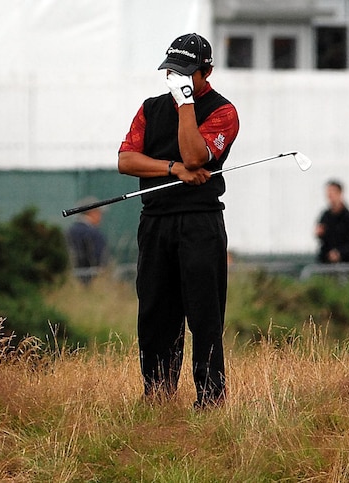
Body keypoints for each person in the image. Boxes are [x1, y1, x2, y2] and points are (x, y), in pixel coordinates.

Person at [117, 33, 240, 409]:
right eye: (172, 71)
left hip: (199, 223)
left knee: (204, 316)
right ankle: (158, 397)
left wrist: (186, 105)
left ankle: (210, 400)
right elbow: (126, 160)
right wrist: (171, 169)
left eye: (186, 73)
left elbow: (195, 155)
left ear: (208, 72)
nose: (177, 79)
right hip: (155, 221)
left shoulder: (223, 112)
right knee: (155, 313)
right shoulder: (150, 108)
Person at [315, 180, 349, 263]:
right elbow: (324, 239)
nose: (330, 196)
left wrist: (340, 253)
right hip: (328, 263)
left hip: (348, 263)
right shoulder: (325, 216)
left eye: (332, 192)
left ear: (340, 194)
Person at [66, 199, 108, 285]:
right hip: (92, 277)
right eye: (99, 213)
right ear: (92, 212)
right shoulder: (93, 233)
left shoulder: (70, 230)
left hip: (71, 277)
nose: (100, 217)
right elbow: (99, 257)